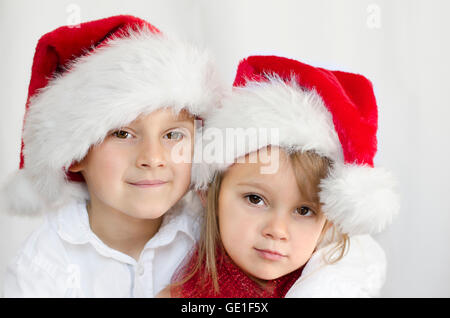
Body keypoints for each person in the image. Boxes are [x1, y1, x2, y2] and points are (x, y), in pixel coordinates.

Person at [1, 15, 221, 297]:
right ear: (76, 153)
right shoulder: (43, 266)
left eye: (172, 135)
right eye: (122, 134)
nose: (153, 158)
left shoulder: (214, 239)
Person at [159, 55, 399, 297]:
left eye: (304, 210)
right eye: (255, 199)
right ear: (209, 192)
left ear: (327, 223)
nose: (277, 230)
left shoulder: (341, 283)